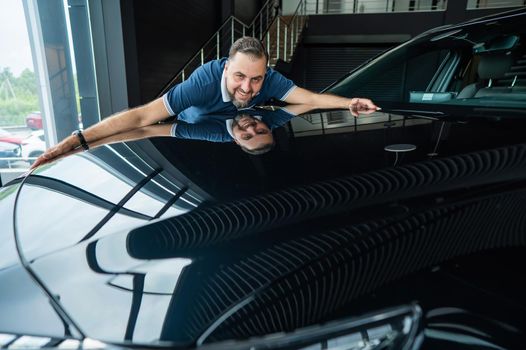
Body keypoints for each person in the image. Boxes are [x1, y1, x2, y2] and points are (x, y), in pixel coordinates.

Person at [32, 36, 379, 168]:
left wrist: (349, 103)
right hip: (193, 114)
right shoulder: (201, 85)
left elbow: (308, 100)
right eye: (240, 76)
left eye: (256, 79)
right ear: (227, 68)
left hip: (206, 122)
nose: (251, 124)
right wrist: (78, 142)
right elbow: (144, 122)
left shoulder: (259, 101)